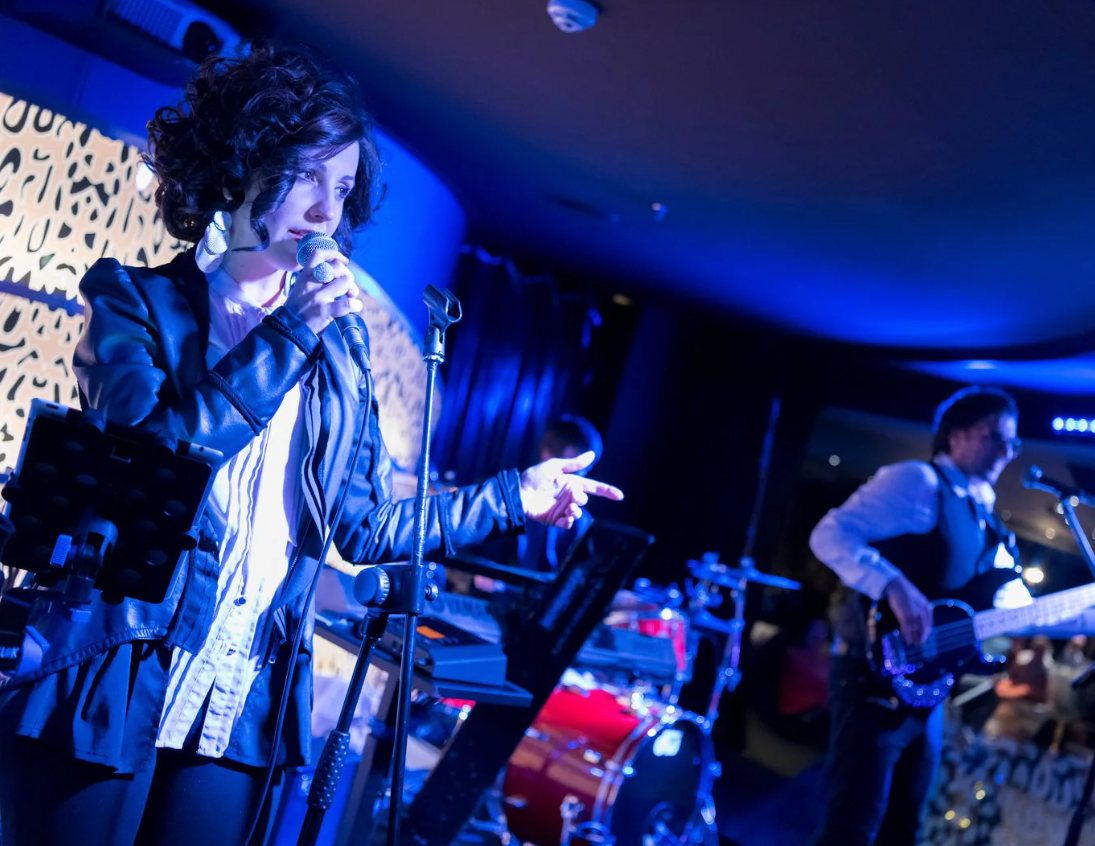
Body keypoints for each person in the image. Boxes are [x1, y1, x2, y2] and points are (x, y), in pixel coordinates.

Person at [0, 41, 622, 846]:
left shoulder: (340, 352)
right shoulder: (138, 301)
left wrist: (513, 495)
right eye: (307, 176)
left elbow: (362, 528)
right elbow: (154, 458)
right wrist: (288, 334)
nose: (328, 211)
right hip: (116, 666)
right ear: (240, 167)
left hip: (245, 690)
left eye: (343, 187)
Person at [809, 386, 1025, 846]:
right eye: (995, 437)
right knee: (853, 825)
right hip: (872, 678)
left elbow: (1012, 606)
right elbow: (830, 534)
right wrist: (893, 583)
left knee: (903, 829)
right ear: (957, 435)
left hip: (928, 692)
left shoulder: (986, 516)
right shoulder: (917, 481)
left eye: (1013, 443)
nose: (1006, 452)